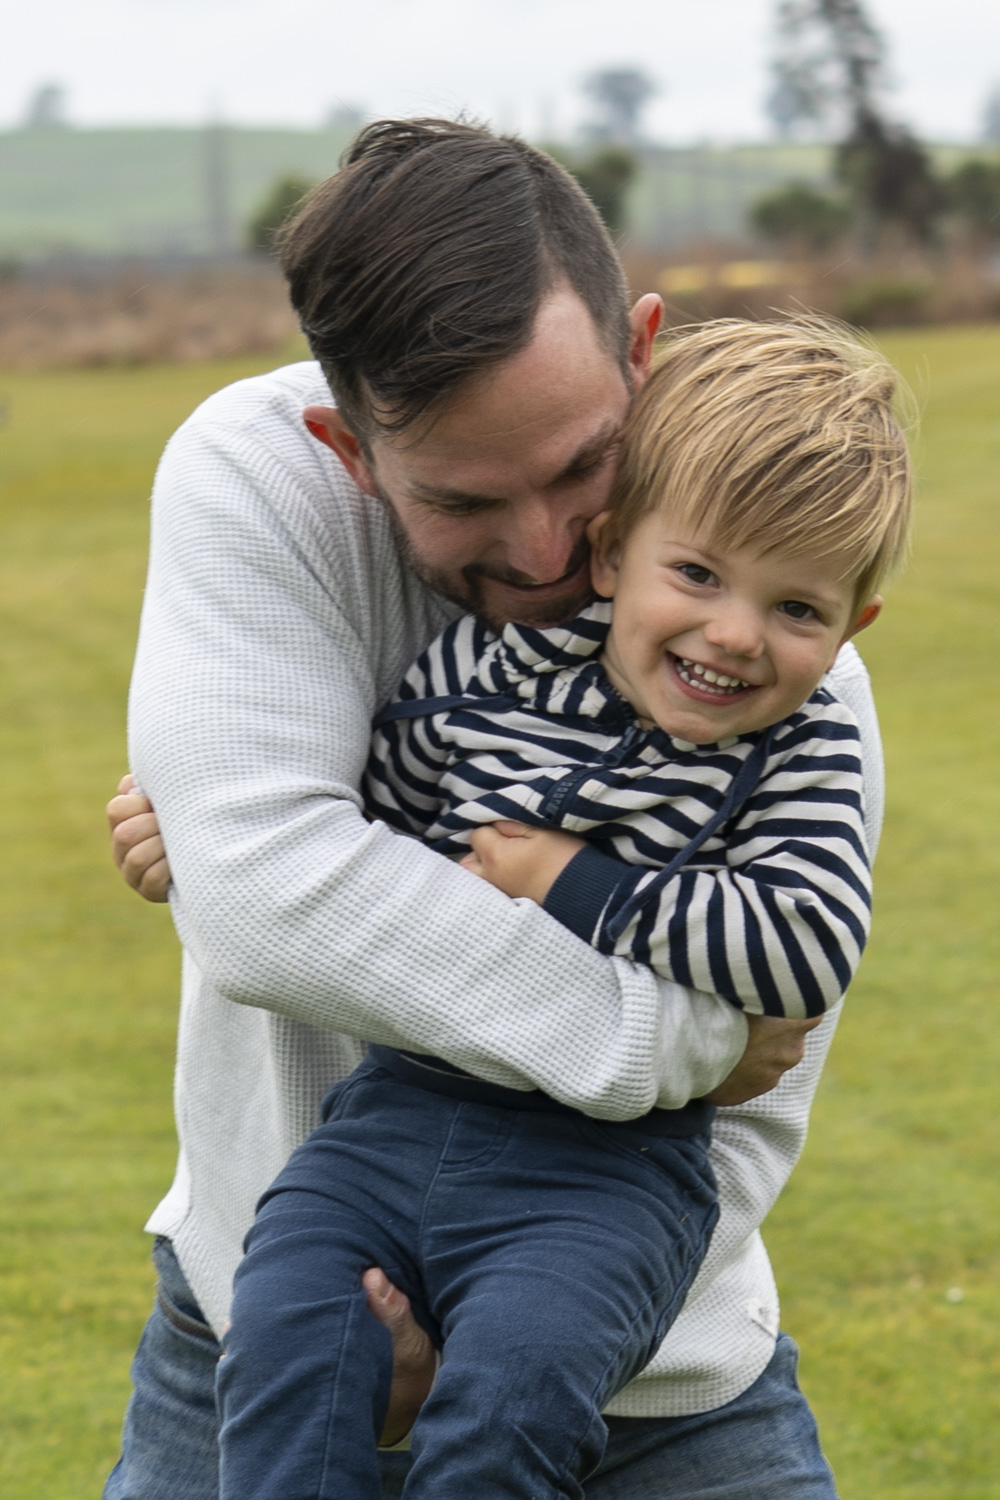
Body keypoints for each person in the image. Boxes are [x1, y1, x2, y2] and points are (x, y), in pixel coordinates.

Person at [104, 117, 886, 1499]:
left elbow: (781, 1043)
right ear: (351, 447)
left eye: (584, 468)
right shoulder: (255, 475)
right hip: (281, 1313)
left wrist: (510, 1335)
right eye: (463, 500)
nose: (543, 555)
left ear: (641, 350)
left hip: (653, 1376)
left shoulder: (774, 659)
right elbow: (274, 903)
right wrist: (675, 1035)